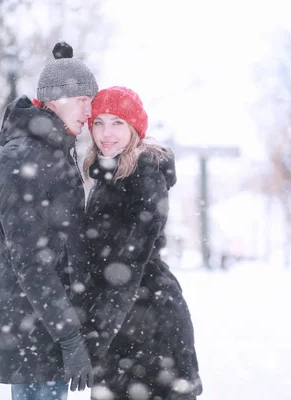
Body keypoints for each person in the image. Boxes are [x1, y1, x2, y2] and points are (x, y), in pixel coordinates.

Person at [0, 42, 98, 399]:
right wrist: (69, 337)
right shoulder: (21, 159)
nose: (89, 109)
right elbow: (31, 262)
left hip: (47, 329)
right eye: (82, 99)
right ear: (54, 99)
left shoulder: (56, 154)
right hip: (32, 334)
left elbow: (63, 249)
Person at [79, 86, 202, 400]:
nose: (106, 133)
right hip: (123, 321)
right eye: (99, 122)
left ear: (134, 128)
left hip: (149, 324)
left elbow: (129, 263)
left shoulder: (144, 173)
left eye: (118, 123)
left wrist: (97, 336)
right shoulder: (110, 173)